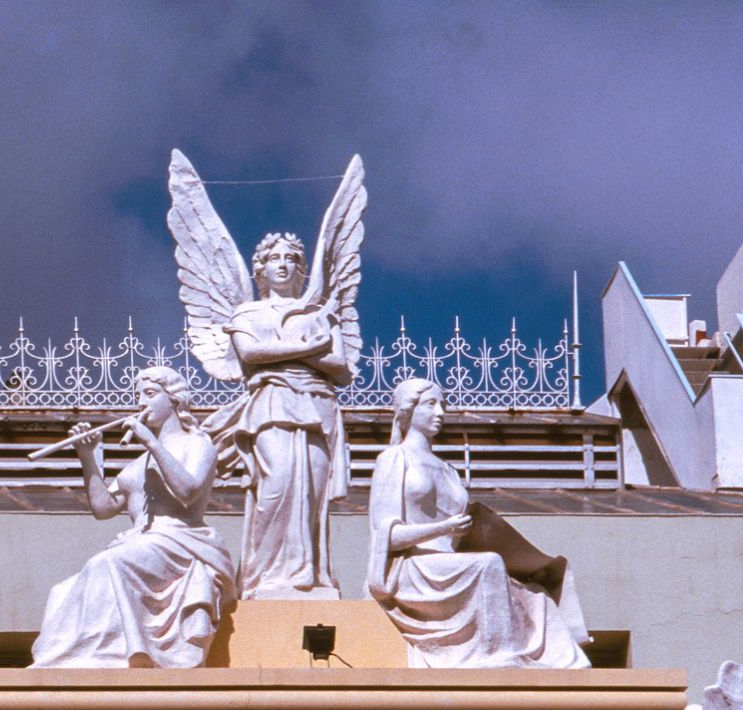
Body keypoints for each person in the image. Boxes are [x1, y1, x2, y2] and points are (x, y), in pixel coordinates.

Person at [367, 378, 590, 669]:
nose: (440, 413)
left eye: (443, 405)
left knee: (537, 594)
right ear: (408, 410)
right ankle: (499, 655)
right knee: (488, 565)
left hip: (452, 565)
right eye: (430, 404)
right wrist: (443, 528)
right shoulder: (394, 459)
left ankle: (568, 670)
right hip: (413, 570)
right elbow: (389, 536)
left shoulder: (448, 469)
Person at [30, 367, 236, 668]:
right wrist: (88, 457)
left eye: (150, 394)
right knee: (61, 592)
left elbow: (189, 491)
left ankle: (127, 653)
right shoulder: (138, 463)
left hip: (179, 541)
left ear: (175, 400)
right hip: (142, 543)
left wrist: (152, 444)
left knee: (108, 562)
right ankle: (79, 659)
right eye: (138, 396)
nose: (141, 402)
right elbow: (104, 508)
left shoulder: (197, 444)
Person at [225, 232, 349, 599]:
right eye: (273, 258)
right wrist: (305, 349)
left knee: (311, 491)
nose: (282, 263)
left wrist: (292, 352)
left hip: (316, 404)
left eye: (291, 258)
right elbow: (249, 353)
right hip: (272, 402)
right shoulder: (248, 313)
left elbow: (340, 368)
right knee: (276, 482)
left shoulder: (322, 315)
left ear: (301, 268)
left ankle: (308, 575)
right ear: (260, 269)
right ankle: (263, 578)